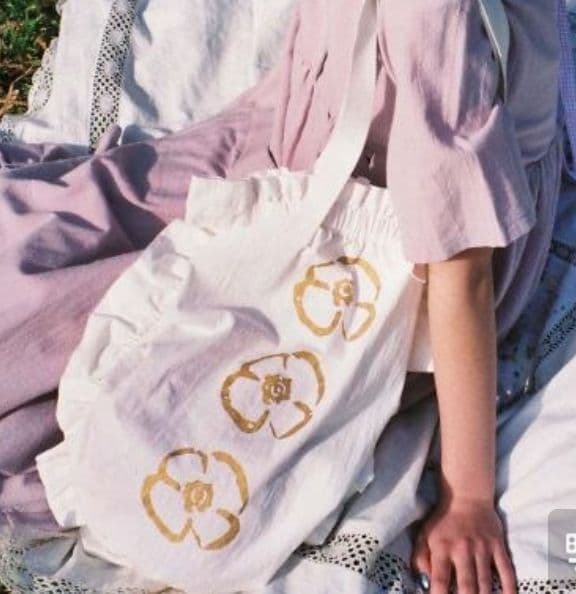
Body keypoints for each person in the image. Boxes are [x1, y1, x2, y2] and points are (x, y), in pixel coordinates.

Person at [0, 0, 563, 592]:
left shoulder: (432, 17)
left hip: (397, 231)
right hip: (318, 130)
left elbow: (462, 267)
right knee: (63, 237)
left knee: (40, 287)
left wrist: (467, 497)